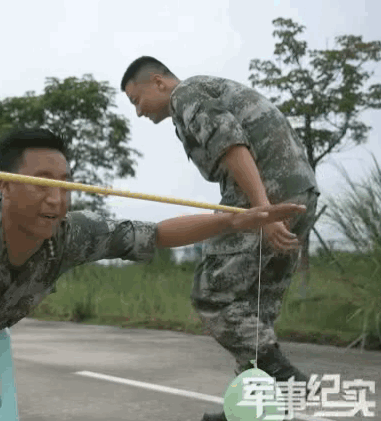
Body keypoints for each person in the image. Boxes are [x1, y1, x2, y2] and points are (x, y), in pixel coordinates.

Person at [0, 128, 305, 338]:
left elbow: (155, 233)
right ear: (4, 186)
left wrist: (234, 220)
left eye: (64, 185)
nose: (57, 198)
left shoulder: (73, 234)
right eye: (40, 184)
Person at [120, 56, 321, 421]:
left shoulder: (187, 94)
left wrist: (261, 211)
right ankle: (251, 411)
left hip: (267, 194)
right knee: (253, 311)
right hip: (299, 194)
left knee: (212, 293)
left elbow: (232, 146)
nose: (138, 113)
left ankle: (285, 380)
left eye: (137, 100)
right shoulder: (198, 96)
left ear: (159, 82)